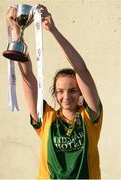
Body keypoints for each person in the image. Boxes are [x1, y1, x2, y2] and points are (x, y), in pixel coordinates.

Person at [6, 4, 103, 180]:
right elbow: (28, 78)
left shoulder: (90, 116)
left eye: (73, 90)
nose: (66, 96)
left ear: (81, 92)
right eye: (60, 91)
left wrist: (53, 31)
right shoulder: (47, 118)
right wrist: (16, 31)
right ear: (55, 93)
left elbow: (81, 70)